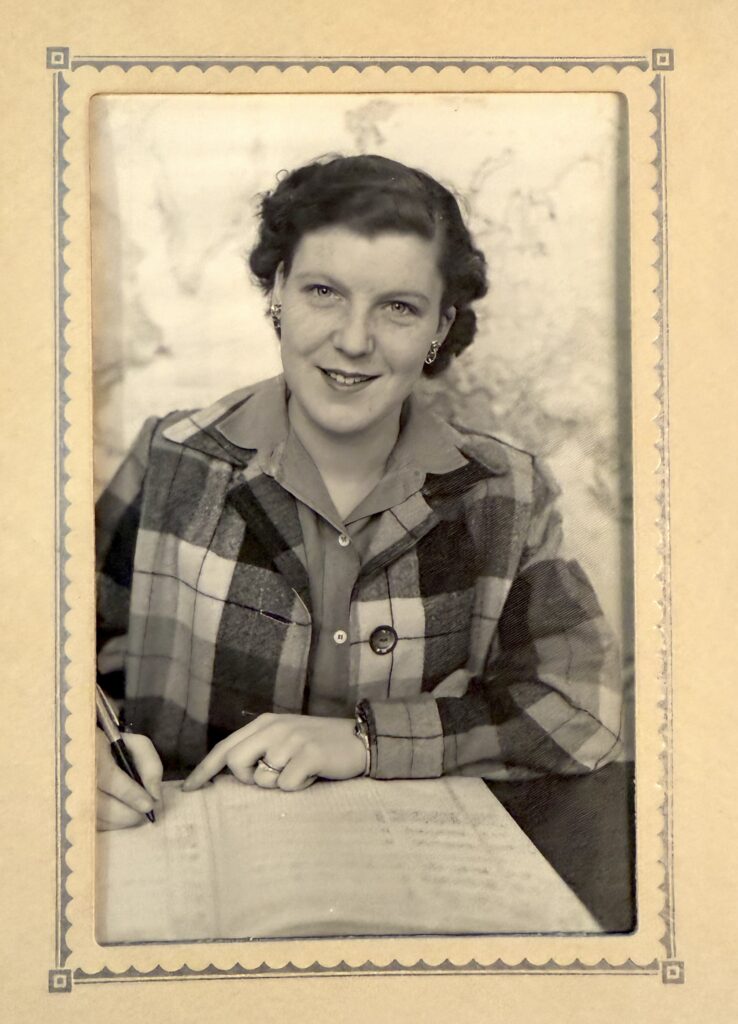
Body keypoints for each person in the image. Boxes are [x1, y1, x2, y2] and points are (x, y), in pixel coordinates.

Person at [95, 154, 623, 831]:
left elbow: (579, 714)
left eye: (398, 307)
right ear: (278, 291)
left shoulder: (506, 496)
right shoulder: (170, 459)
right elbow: (44, 666)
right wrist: (73, 744)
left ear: (439, 328)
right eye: (324, 291)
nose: (352, 340)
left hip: (414, 865)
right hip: (196, 855)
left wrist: (368, 741)